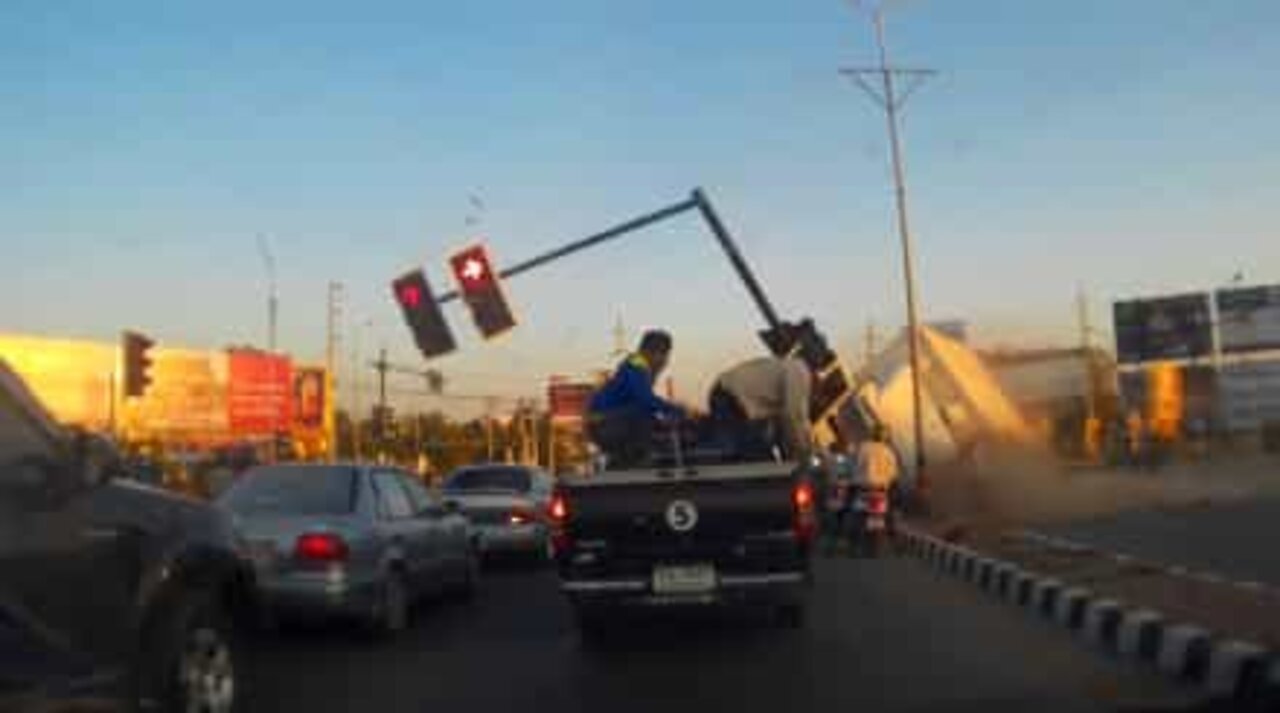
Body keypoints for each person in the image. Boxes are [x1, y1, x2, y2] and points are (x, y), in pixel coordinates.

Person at [587, 330, 683, 468]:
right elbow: (644, 399)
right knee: (643, 414)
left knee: (651, 419)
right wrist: (674, 409)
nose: (665, 361)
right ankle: (637, 459)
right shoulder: (636, 366)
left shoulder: (641, 367)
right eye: (664, 355)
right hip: (605, 424)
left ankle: (625, 461)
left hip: (609, 421)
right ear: (653, 352)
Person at [706, 355, 812, 462]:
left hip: (724, 394)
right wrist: (804, 454)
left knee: (756, 453)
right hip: (729, 400)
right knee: (737, 453)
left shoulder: (783, 367)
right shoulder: (800, 370)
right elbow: (793, 416)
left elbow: (781, 427)